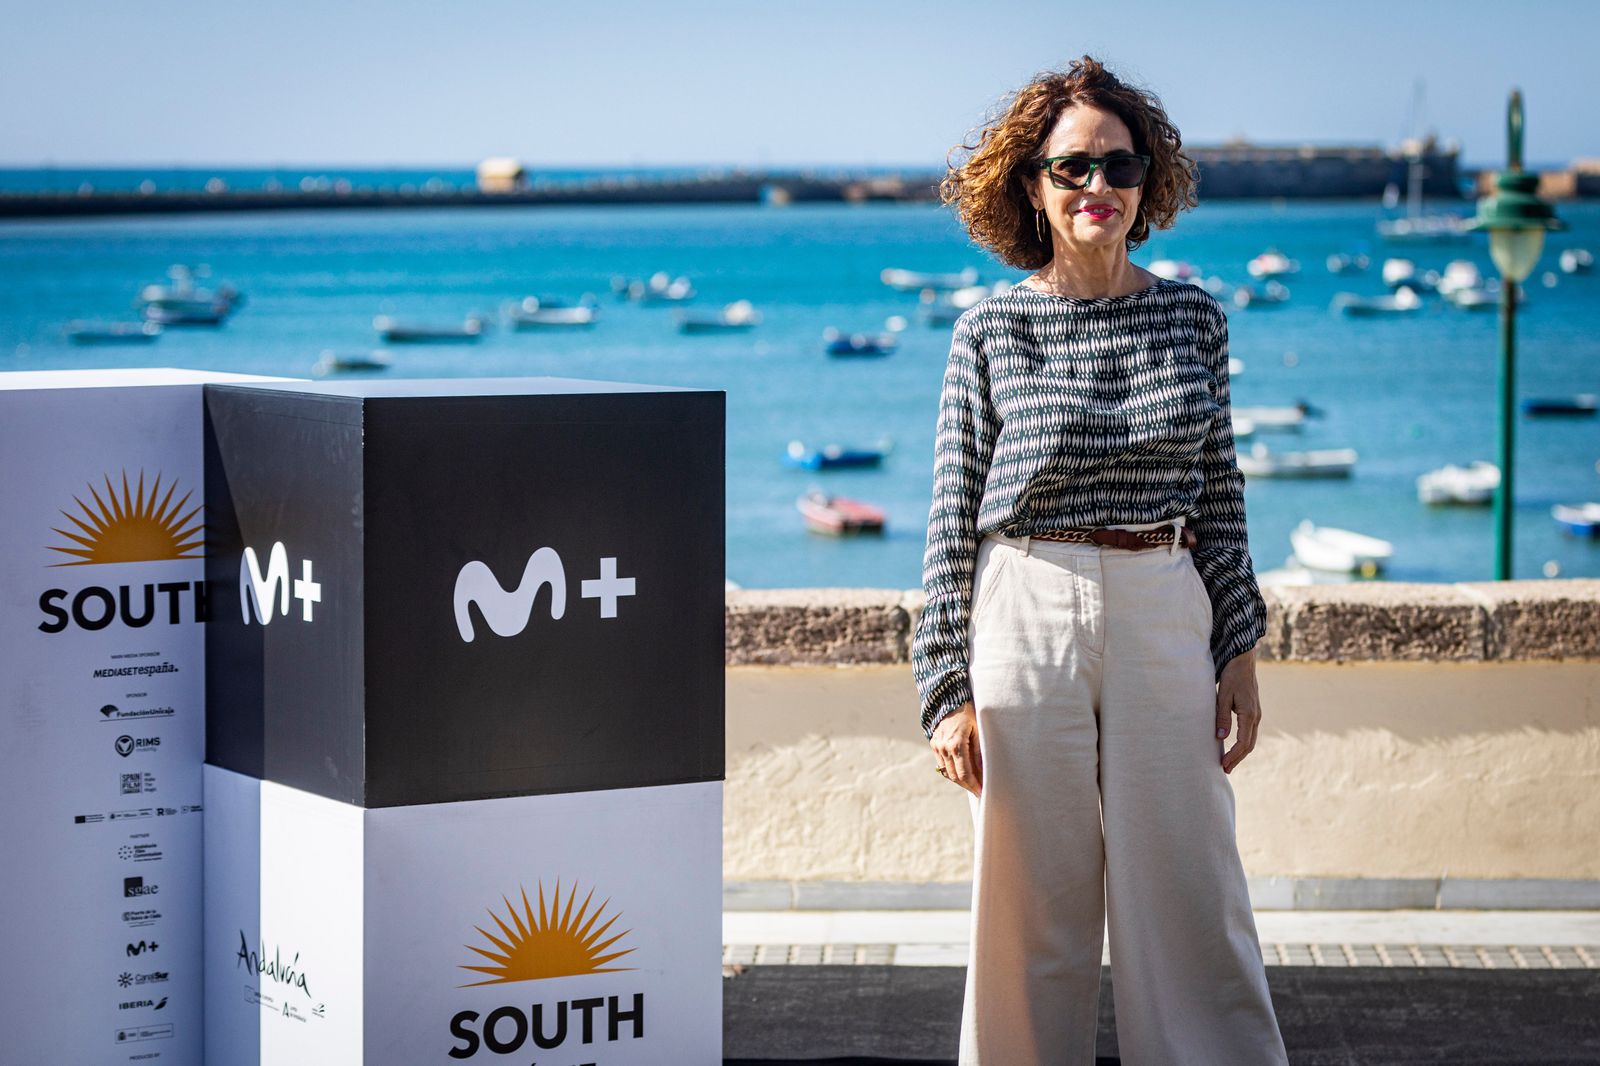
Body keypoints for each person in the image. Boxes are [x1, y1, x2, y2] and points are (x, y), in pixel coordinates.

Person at [911, 56, 1290, 1065]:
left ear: (1146, 181)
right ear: (1031, 186)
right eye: (1071, 166)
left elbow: (1220, 495)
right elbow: (950, 518)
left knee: (1190, 884)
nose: (1097, 186)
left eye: (1119, 165)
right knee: (1031, 895)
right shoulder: (990, 329)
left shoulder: (1192, 318)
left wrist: (1239, 647)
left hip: (1165, 600)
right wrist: (943, 688)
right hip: (1025, 604)